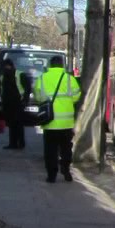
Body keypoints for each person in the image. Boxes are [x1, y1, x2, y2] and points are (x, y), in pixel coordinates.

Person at [34, 55, 82, 183]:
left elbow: (37, 97)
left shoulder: (42, 78)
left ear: (50, 65)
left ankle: (51, 175)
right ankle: (65, 169)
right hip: (66, 123)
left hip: (50, 123)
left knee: (50, 150)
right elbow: (77, 96)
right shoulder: (69, 79)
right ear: (62, 65)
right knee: (66, 148)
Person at [1, 60, 26, 150]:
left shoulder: (19, 74)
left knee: (18, 124)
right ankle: (13, 143)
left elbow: (27, 88)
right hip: (8, 104)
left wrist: (24, 100)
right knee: (12, 124)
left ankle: (20, 143)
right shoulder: (3, 76)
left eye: (7, 67)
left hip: (18, 103)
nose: (6, 69)